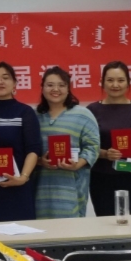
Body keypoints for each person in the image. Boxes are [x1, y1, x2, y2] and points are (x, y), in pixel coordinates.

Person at [0, 62, 42, 222]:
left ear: (15, 83)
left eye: (5, 77)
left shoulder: (25, 112)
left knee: (19, 233)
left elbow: (33, 149)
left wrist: (23, 177)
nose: (0, 82)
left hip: (16, 185)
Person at [86, 61, 131, 216]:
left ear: (128, 82)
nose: (115, 85)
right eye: (110, 80)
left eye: (121, 80)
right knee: (105, 221)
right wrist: (104, 154)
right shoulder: (92, 110)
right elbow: (87, 145)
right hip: (101, 176)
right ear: (102, 82)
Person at [35, 66, 100, 218]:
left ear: (68, 89)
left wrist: (78, 164)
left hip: (71, 190)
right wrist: (39, 161)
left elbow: (93, 147)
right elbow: (28, 150)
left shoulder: (83, 115)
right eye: (50, 85)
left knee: (71, 229)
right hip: (40, 190)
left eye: (61, 85)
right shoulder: (34, 116)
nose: (55, 89)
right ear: (42, 88)